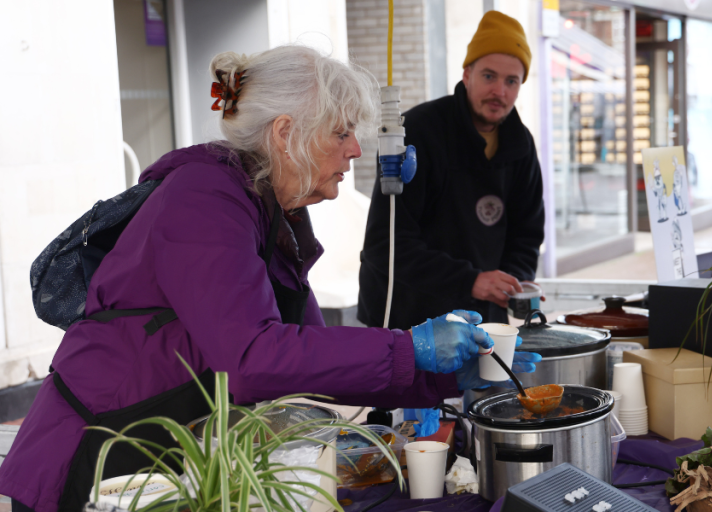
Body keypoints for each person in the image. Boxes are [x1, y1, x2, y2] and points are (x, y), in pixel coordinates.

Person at [0, 46, 539, 512]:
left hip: (162, 450)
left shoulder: (270, 209)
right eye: (342, 132)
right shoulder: (203, 198)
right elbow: (252, 360)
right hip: (95, 459)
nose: (355, 149)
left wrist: (445, 377)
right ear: (286, 134)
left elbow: (310, 360)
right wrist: (410, 347)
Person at [358, 11, 544, 329]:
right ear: (467, 74)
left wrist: (510, 285)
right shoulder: (419, 132)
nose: (500, 91)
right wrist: (470, 280)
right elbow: (386, 244)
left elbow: (526, 237)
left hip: (481, 320)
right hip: (404, 316)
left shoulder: (520, 145)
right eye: (489, 76)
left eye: (511, 81)